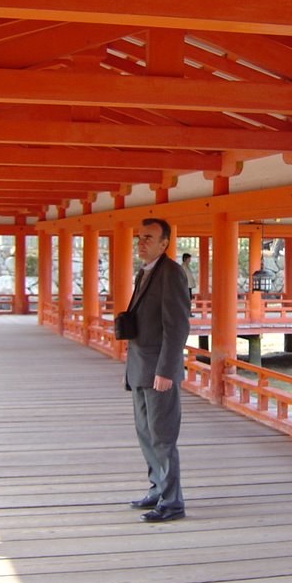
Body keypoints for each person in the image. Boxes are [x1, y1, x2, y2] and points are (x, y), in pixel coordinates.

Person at [125, 218, 191, 523]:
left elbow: (176, 327)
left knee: (163, 435)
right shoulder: (146, 272)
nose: (141, 242)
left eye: (148, 238)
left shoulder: (171, 273)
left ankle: (172, 501)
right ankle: (157, 488)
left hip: (158, 370)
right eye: (140, 237)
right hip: (139, 366)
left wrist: (166, 370)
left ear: (164, 243)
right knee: (145, 433)